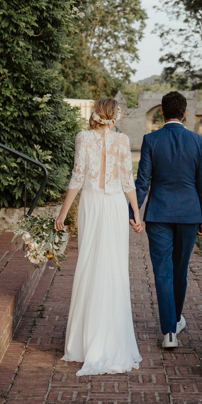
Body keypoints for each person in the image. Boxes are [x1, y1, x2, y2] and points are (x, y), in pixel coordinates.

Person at [54, 98, 144, 375]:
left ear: (95, 115)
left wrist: (61, 213)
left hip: (92, 205)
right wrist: (137, 214)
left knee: (90, 263)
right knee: (113, 266)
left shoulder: (83, 138)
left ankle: (84, 341)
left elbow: (77, 178)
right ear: (115, 117)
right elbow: (128, 181)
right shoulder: (122, 140)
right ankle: (110, 337)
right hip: (115, 205)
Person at [134, 91, 202, 349]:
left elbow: (142, 181)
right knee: (180, 270)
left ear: (162, 112)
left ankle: (169, 332)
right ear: (185, 113)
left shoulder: (151, 140)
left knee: (162, 272)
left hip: (158, 215)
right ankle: (175, 319)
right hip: (189, 214)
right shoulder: (198, 141)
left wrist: (132, 213)